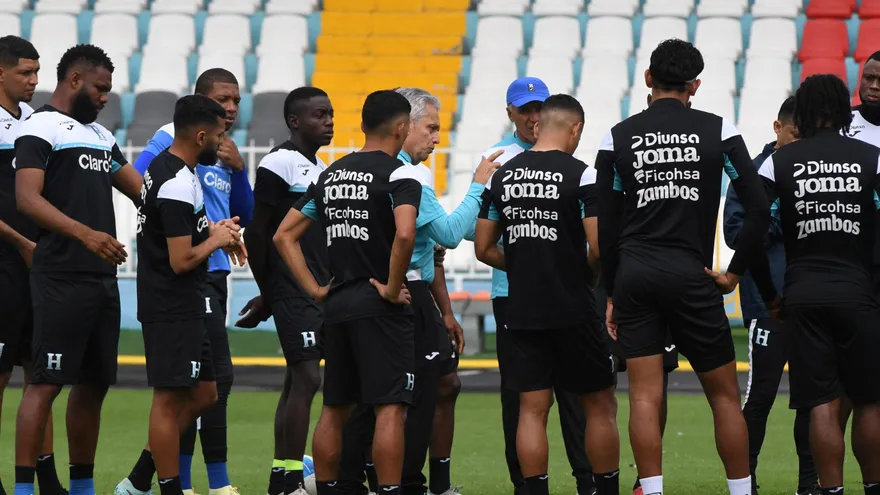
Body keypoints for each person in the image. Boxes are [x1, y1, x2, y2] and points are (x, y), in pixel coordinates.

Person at [595, 39, 778, 495]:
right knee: (724, 397)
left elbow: (607, 226)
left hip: (635, 275)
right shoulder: (719, 130)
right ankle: (740, 491)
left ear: (648, 79)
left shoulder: (615, 136)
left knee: (642, 396)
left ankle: (651, 490)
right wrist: (734, 271)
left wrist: (613, 289)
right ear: (695, 85)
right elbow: (758, 208)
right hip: (692, 276)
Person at [336, 87, 498, 495]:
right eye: (431, 128)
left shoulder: (375, 171)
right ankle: (405, 482)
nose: (437, 138)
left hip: (397, 293)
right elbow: (448, 233)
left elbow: (430, 250)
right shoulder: (404, 175)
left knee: (434, 386)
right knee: (406, 394)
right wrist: (479, 186)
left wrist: (445, 311)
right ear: (403, 126)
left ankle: (380, 481)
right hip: (399, 295)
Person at [273, 89, 421, 495]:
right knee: (390, 408)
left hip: (337, 306)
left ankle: (326, 487)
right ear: (401, 127)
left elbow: (283, 235)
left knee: (334, 409)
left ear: (362, 125)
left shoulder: (331, 174)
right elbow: (405, 232)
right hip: (380, 308)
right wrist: (392, 288)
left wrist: (317, 290)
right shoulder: (400, 174)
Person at [13, 44, 144, 495]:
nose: (106, 97)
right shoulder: (40, 127)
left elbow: (142, 192)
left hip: (101, 280)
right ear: (74, 81)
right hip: (60, 276)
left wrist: (201, 219)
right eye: (101, 88)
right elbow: (27, 198)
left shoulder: (101, 138)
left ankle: (83, 488)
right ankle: (26, 490)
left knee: (93, 387)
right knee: (45, 385)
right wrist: (87, 235)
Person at [474, 94, 620, 495]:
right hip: (573, 305)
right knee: (599, 405)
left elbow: (483, 248)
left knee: (532, 409)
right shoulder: (583, 174)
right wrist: (586, 274)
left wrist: (523, 268)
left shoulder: (503, 176)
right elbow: (599, 246)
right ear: (575, 128)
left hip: (521, 307)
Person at [116, 68, 253, 495]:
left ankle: (141, 479)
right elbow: (174, 246)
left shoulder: (202, 163)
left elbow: (241, 212)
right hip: (177, 287)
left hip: (197, 282)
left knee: (206, 390)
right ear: (199, 127)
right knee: (176, 394)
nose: (230, 111)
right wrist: (206, 234)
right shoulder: (172, 168)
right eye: (222, 102)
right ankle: (184, 484)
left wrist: (219, 225)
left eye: (236, 100)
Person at [758, 73, 880, 495]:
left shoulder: (778, 162)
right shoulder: (873, 158)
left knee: (821, 405)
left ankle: (829, 490)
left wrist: (771, 294)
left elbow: (751, 235)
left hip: (804, 296)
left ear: (804, 112)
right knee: (869, 401)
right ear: (845, 112)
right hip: (860, 295)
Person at [237, 86, 334, 495]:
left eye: (330, 114)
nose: (328, 121)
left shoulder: (321, 167)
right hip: (292, 289)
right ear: (294, 121)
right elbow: (258, 231)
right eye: (318, 115)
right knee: (309, 376)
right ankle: (292, 478)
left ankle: (282, 478)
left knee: (298, 379)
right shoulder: (279, 163)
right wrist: (270, 291)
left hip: (313, 288)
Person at [723, 96, 819, 495]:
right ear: (777, 128)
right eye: (794, 134)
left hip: (812, 300)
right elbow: (735, 233)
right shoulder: (750, 177)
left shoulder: (812, 173)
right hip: (767, 302)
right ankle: (748, 482)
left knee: (813, 398)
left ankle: (809, 484)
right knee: (760, 395)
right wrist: (776, 214)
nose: (799, 144)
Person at [0, 35, 67, 495]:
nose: (35, 81)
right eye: (26, 72)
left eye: (37, 72)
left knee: (40, 371)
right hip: (4, 264)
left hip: (36, 264)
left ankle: (44, 475)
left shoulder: (36, 123)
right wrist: (21, 242)